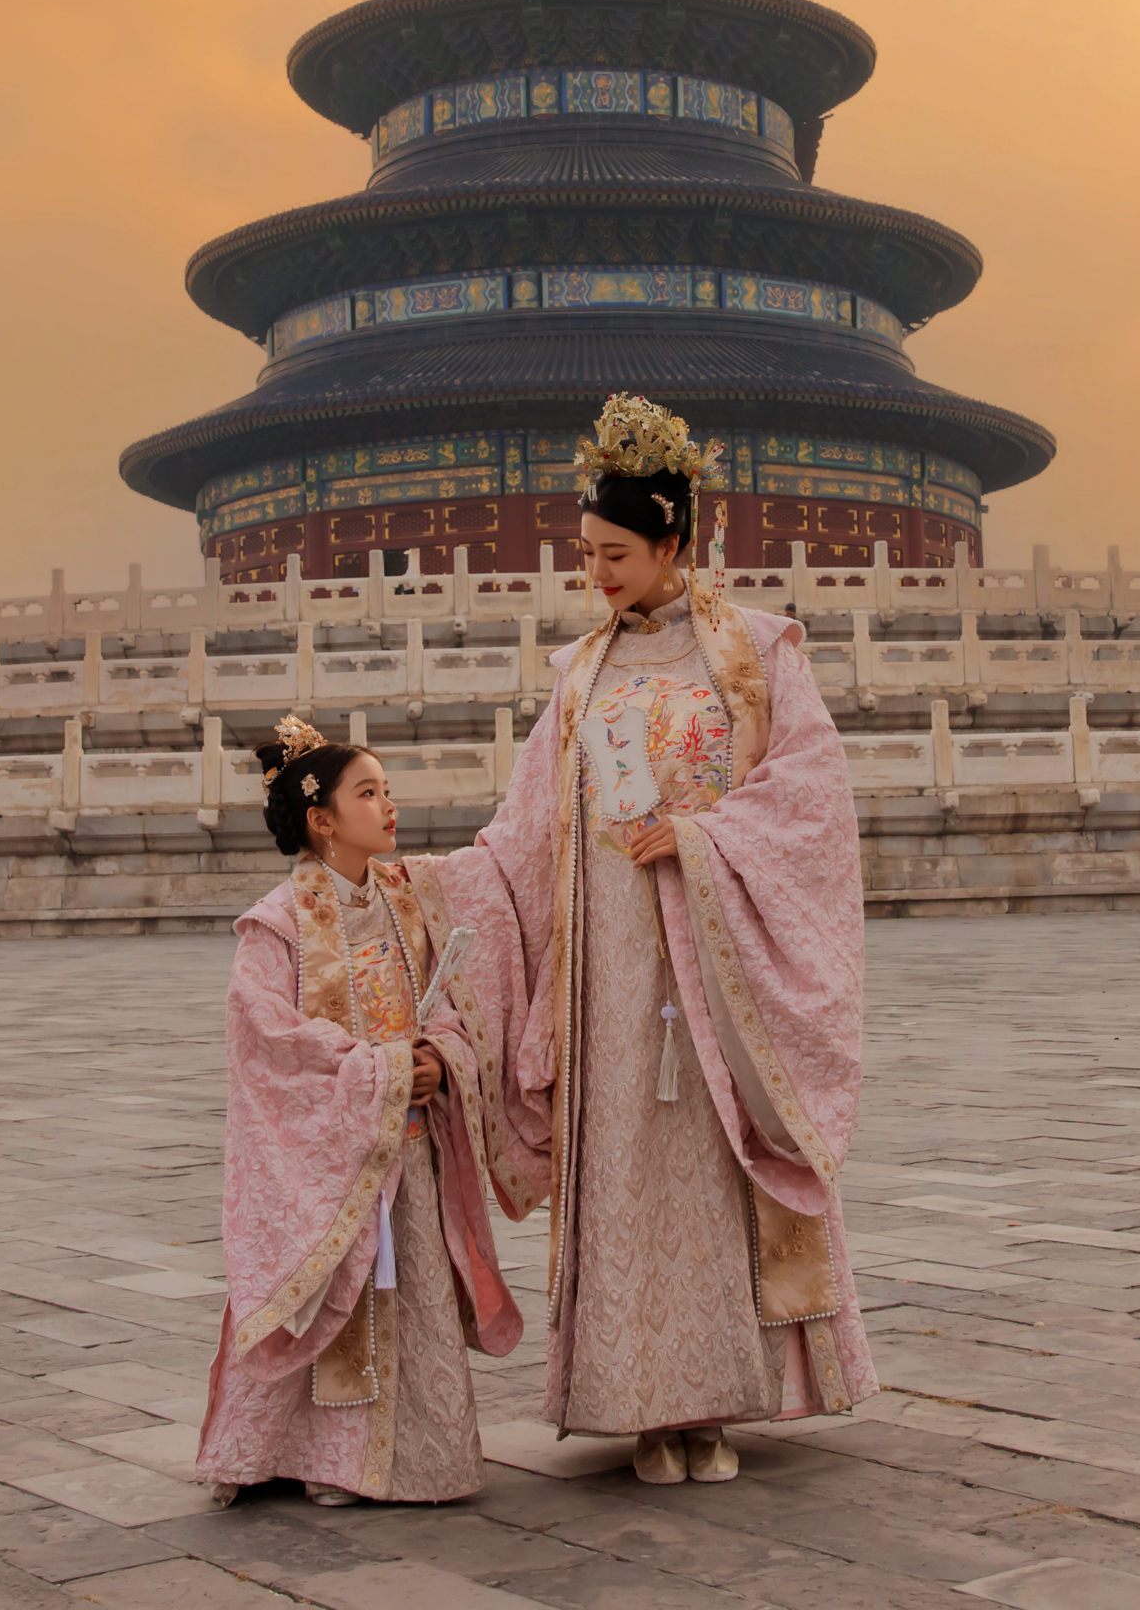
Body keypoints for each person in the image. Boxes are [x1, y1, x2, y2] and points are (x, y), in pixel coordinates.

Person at [426, 394, 877, 1486]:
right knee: (624, 1164)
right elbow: (527, 829)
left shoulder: (758, 652)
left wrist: (704, 834)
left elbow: (814, 799)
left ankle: (715, 1402)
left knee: (714, 1163)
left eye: (616, 553)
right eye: (586, 554)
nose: (598, 574)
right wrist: (437, 883)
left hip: (713, 959)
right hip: (608, 967)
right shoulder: (580, 674)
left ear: (675, 539)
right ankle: (638, 1404)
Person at [194, 716, 522, 1506]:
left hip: (406, 1146)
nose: (388, 806)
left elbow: (459, 989)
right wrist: (378, 1072)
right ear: (322, 819)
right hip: (338, 1147)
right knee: (325, 1285)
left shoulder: (410, 896)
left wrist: (438, 1057)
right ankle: (295, 1453)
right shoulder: (277, 923)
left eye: (388, 791)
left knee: (398, 1297)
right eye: (367, 793)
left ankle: (377, 1458)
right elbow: (265, 1032)